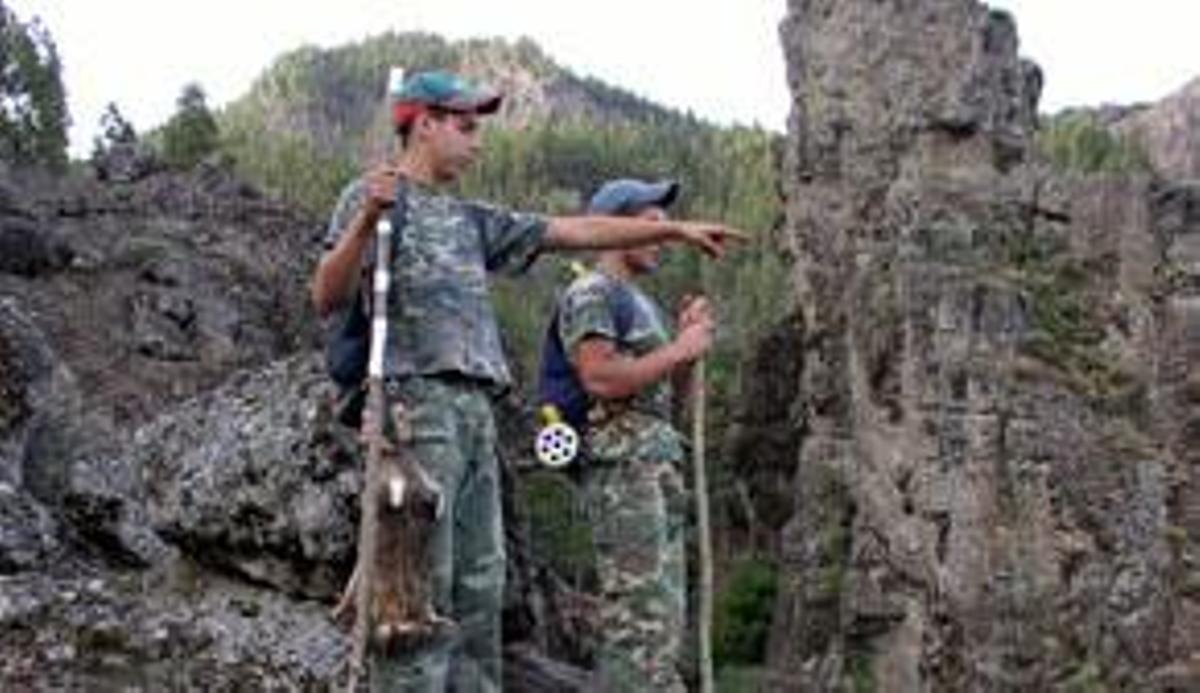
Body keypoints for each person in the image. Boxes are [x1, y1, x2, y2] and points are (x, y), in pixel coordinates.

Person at [310, 70, 741, 692]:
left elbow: (573, 230)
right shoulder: (374, 198)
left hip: (478, 412)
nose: (477, 140)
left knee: (481, 589)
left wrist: (670, 228)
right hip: (415, 406)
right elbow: (327, 295)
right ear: (423, 123)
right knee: (416, 590)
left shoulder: (471, 219)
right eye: (465, 126)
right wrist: (364, 222)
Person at [551, 178, 714, 692]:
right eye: (652, 227)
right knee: (639, 622)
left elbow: (666, 404)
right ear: (615, 228)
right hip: (623, 470)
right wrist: (679, 349)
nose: (664, 238)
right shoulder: (592, 293)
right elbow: (599, 378)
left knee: (663, 618)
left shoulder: (639, 304)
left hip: (656, 464)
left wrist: (685, 350)